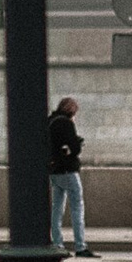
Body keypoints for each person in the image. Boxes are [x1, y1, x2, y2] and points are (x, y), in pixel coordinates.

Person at [49, 92, 88, 252]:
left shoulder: (50, 121)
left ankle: (57, 243)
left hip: (54, 171)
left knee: (57, 207)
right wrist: (75, 143)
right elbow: (75, 148)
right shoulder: (66, 123)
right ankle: (80, 246)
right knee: (77, 207)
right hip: (68, 171)